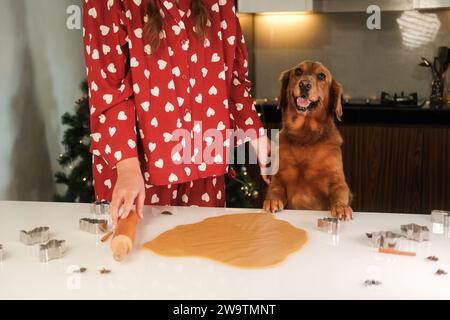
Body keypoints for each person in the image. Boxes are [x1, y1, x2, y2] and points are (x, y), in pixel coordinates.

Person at [83, 0, 269, 224]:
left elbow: (233, 75)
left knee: (203, 251)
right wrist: (126, 166)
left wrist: (258, 137)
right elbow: (108, 85)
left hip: (203, 162)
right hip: (136, 169)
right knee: (140, 252)